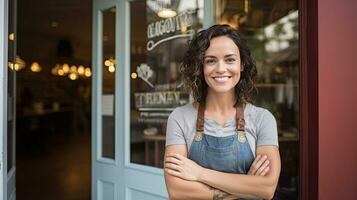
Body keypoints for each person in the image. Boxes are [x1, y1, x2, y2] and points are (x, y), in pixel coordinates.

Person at [164, 24, 281, 200]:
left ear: (242, 64)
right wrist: (243, 188)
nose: (220, 68)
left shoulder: (263, 119)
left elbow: (267, 188)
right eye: (210, 60)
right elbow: (177, 190)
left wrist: (199, 173)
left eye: (230, 59)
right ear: (200, 67)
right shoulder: (179, 118)